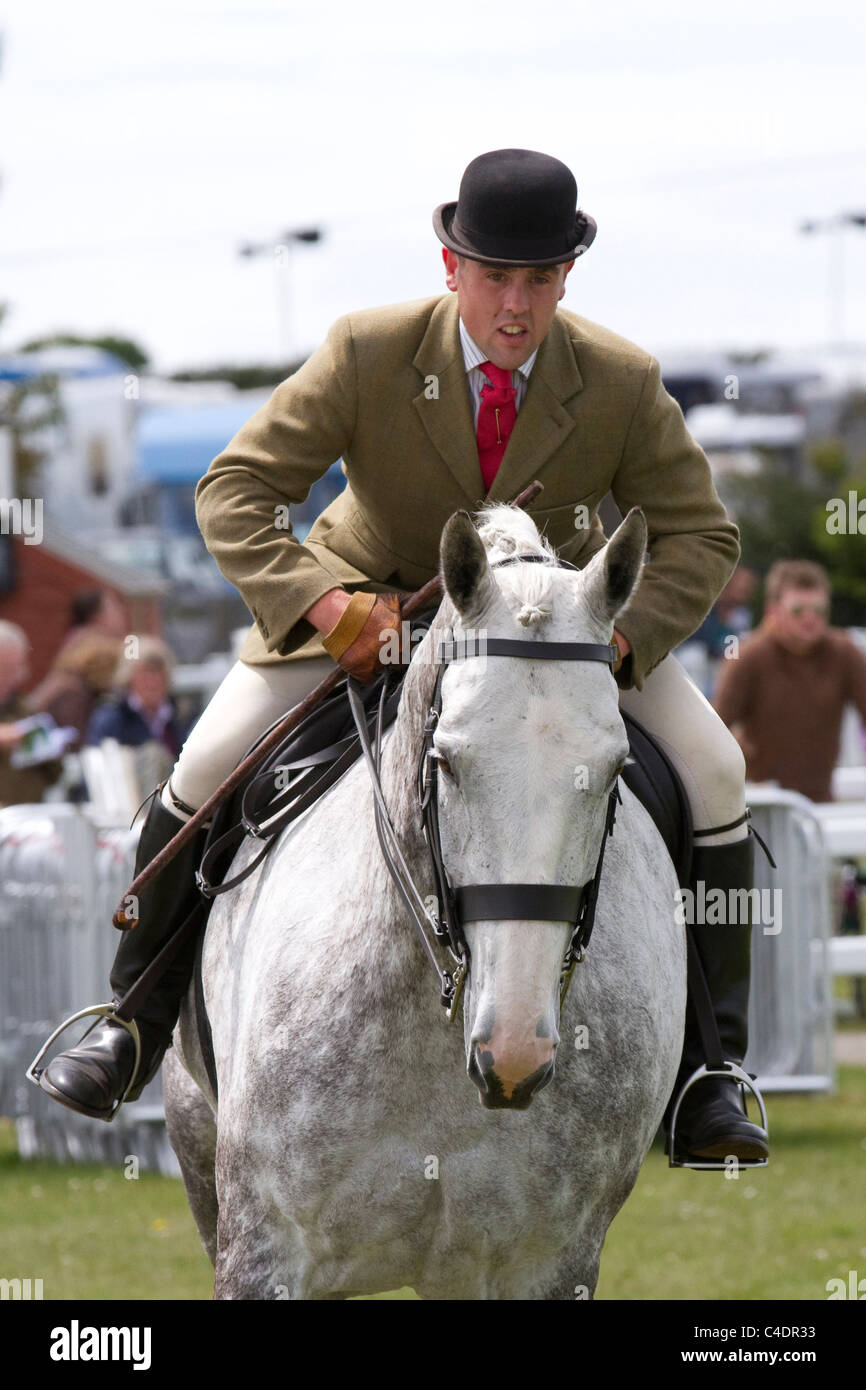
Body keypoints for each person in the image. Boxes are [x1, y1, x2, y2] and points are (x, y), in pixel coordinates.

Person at [37, 148, 768, 1163]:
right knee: (205, 763)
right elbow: (233, 490)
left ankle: (708, 1073)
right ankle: (126, 1022)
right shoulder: (366, 350)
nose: (514, 305)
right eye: (493, 277)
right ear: (449, 264)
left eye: (537, 279)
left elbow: (702, 536)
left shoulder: (619, 380)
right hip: (364, 619)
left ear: (565, 275)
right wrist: (325, 605)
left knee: (716, 768)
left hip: (546, 639)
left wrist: (619, 635)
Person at [714, 559, 866, 803]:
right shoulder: (747, 655)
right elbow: (715, 729)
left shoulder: (844, 652)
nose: (810, 618)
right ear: (773, 611)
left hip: (821, 801)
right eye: (798, 610)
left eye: (819, 610)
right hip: (760, 804)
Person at [85, 637, 188, 761]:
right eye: (145, 674)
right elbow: (97, 765)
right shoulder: (112, 718)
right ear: (129, 677)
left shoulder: (181, 715)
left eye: (158, 673)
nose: (152, 682)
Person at [0, 620, 64, 807]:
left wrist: (47, 747)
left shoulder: (24, 708)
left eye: (16, 670)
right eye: (5, 670)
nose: (12, 679)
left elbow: (55, 774)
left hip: (25, 820)